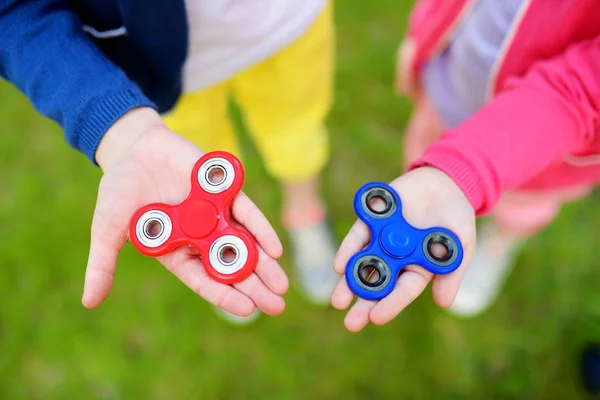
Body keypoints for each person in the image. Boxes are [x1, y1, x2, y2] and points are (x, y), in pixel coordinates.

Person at [0, 0, 336, 324]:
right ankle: (225, 252)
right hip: (169, 64)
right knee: (196, 159)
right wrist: (117, 125)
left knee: (295, 132)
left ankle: (303, 210)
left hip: (288, 25)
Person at [331, 0, 600, 332]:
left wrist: (466, 168)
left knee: (519, 209)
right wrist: (426, 28)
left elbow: (583, 91)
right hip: (451, 87)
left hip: (545, 155)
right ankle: (435, 200)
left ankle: (499, 242)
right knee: (423, 167)